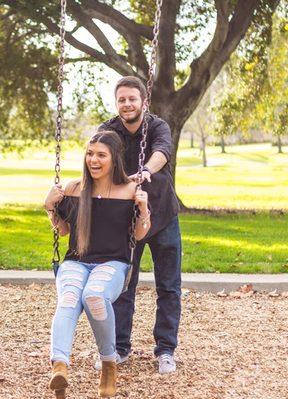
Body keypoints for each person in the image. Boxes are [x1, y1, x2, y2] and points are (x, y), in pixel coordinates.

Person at [44, 131, 151, 398]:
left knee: (94, 296)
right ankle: (60, 366)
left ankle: (108, 364)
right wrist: (49, 207)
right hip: (76, 261)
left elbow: (139, 234)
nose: (94, 160)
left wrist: (144, 209)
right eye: (90, 154)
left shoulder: (129, 191)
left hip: (113, 263)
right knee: (69, 298)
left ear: (114, 159)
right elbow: (64, 230)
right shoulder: (72, 188)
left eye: (101, 155)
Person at [99, 76, 182, 374]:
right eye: (122, 99)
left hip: (162, 217)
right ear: (116, 102)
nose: (127, 104)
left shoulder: (157, 126)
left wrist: (145, 170)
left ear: (144, 102)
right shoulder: (108, 130)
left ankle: (166, 350)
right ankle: (120, 348)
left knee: (169, 286)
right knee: (122, 286)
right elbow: (98, 159)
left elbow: (162, 151)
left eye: (132, 99)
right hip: (126, 220)